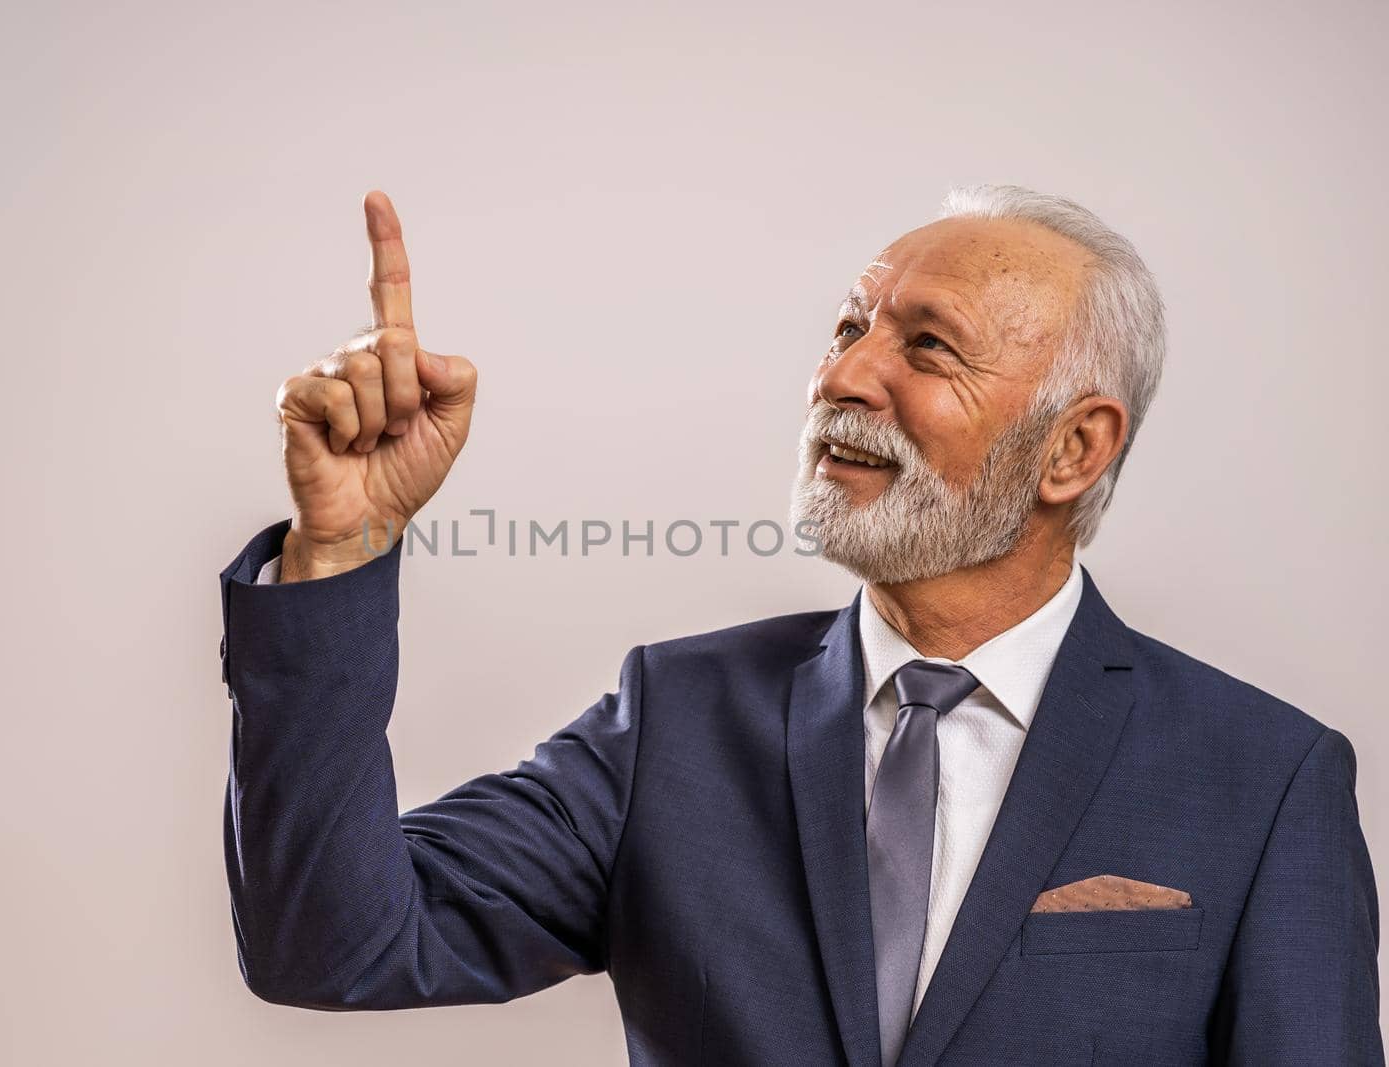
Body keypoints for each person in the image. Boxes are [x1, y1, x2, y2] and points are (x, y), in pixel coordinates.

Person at [216, 186, 1382, 1065]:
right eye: (846, 327)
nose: (845, 375)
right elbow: (335, 943)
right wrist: (340, 549)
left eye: (925, 345)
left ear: (1073, 448)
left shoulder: (1263, 778)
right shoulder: (670, 719)